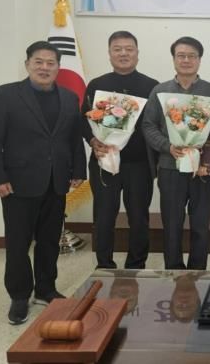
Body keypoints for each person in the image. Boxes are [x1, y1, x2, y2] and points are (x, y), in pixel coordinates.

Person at [0, 41, 86, 325]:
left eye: (51, 63)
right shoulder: (5, 95)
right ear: (27, 64)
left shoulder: (69, 98)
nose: (44, 67)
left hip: (56, 181)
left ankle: (46, 289)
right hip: (18, 183)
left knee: (50, 240)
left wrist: (78, 170)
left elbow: (74, 139)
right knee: (18, 243)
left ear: (58, 67)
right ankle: (19, 295)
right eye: (38, 62)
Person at [142, 36, 210, 270]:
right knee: (172, 225)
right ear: (174, 59)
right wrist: (167, 146)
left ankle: (198, 272)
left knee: (200, 224)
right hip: (170, 167)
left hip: (202, 170)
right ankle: (173, 271)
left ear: (199, 59)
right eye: (181, 55)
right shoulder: (160, 91)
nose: (186, 60)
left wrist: (208, 162)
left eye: (192, 56)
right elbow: (148, 125)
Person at [82, 31, 159, 270]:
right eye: (117, 49)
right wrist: (93, 141)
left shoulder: (152, 86)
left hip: (140, 164)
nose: (123, 53)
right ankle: (104, 265)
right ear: (109, 54)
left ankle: (136, 265)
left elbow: (157, 125)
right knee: (103, 217)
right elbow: (83, 120)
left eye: (129, 49)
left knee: (139, 217)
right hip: (104, 160)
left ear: (137, 53)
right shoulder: (96, 85)